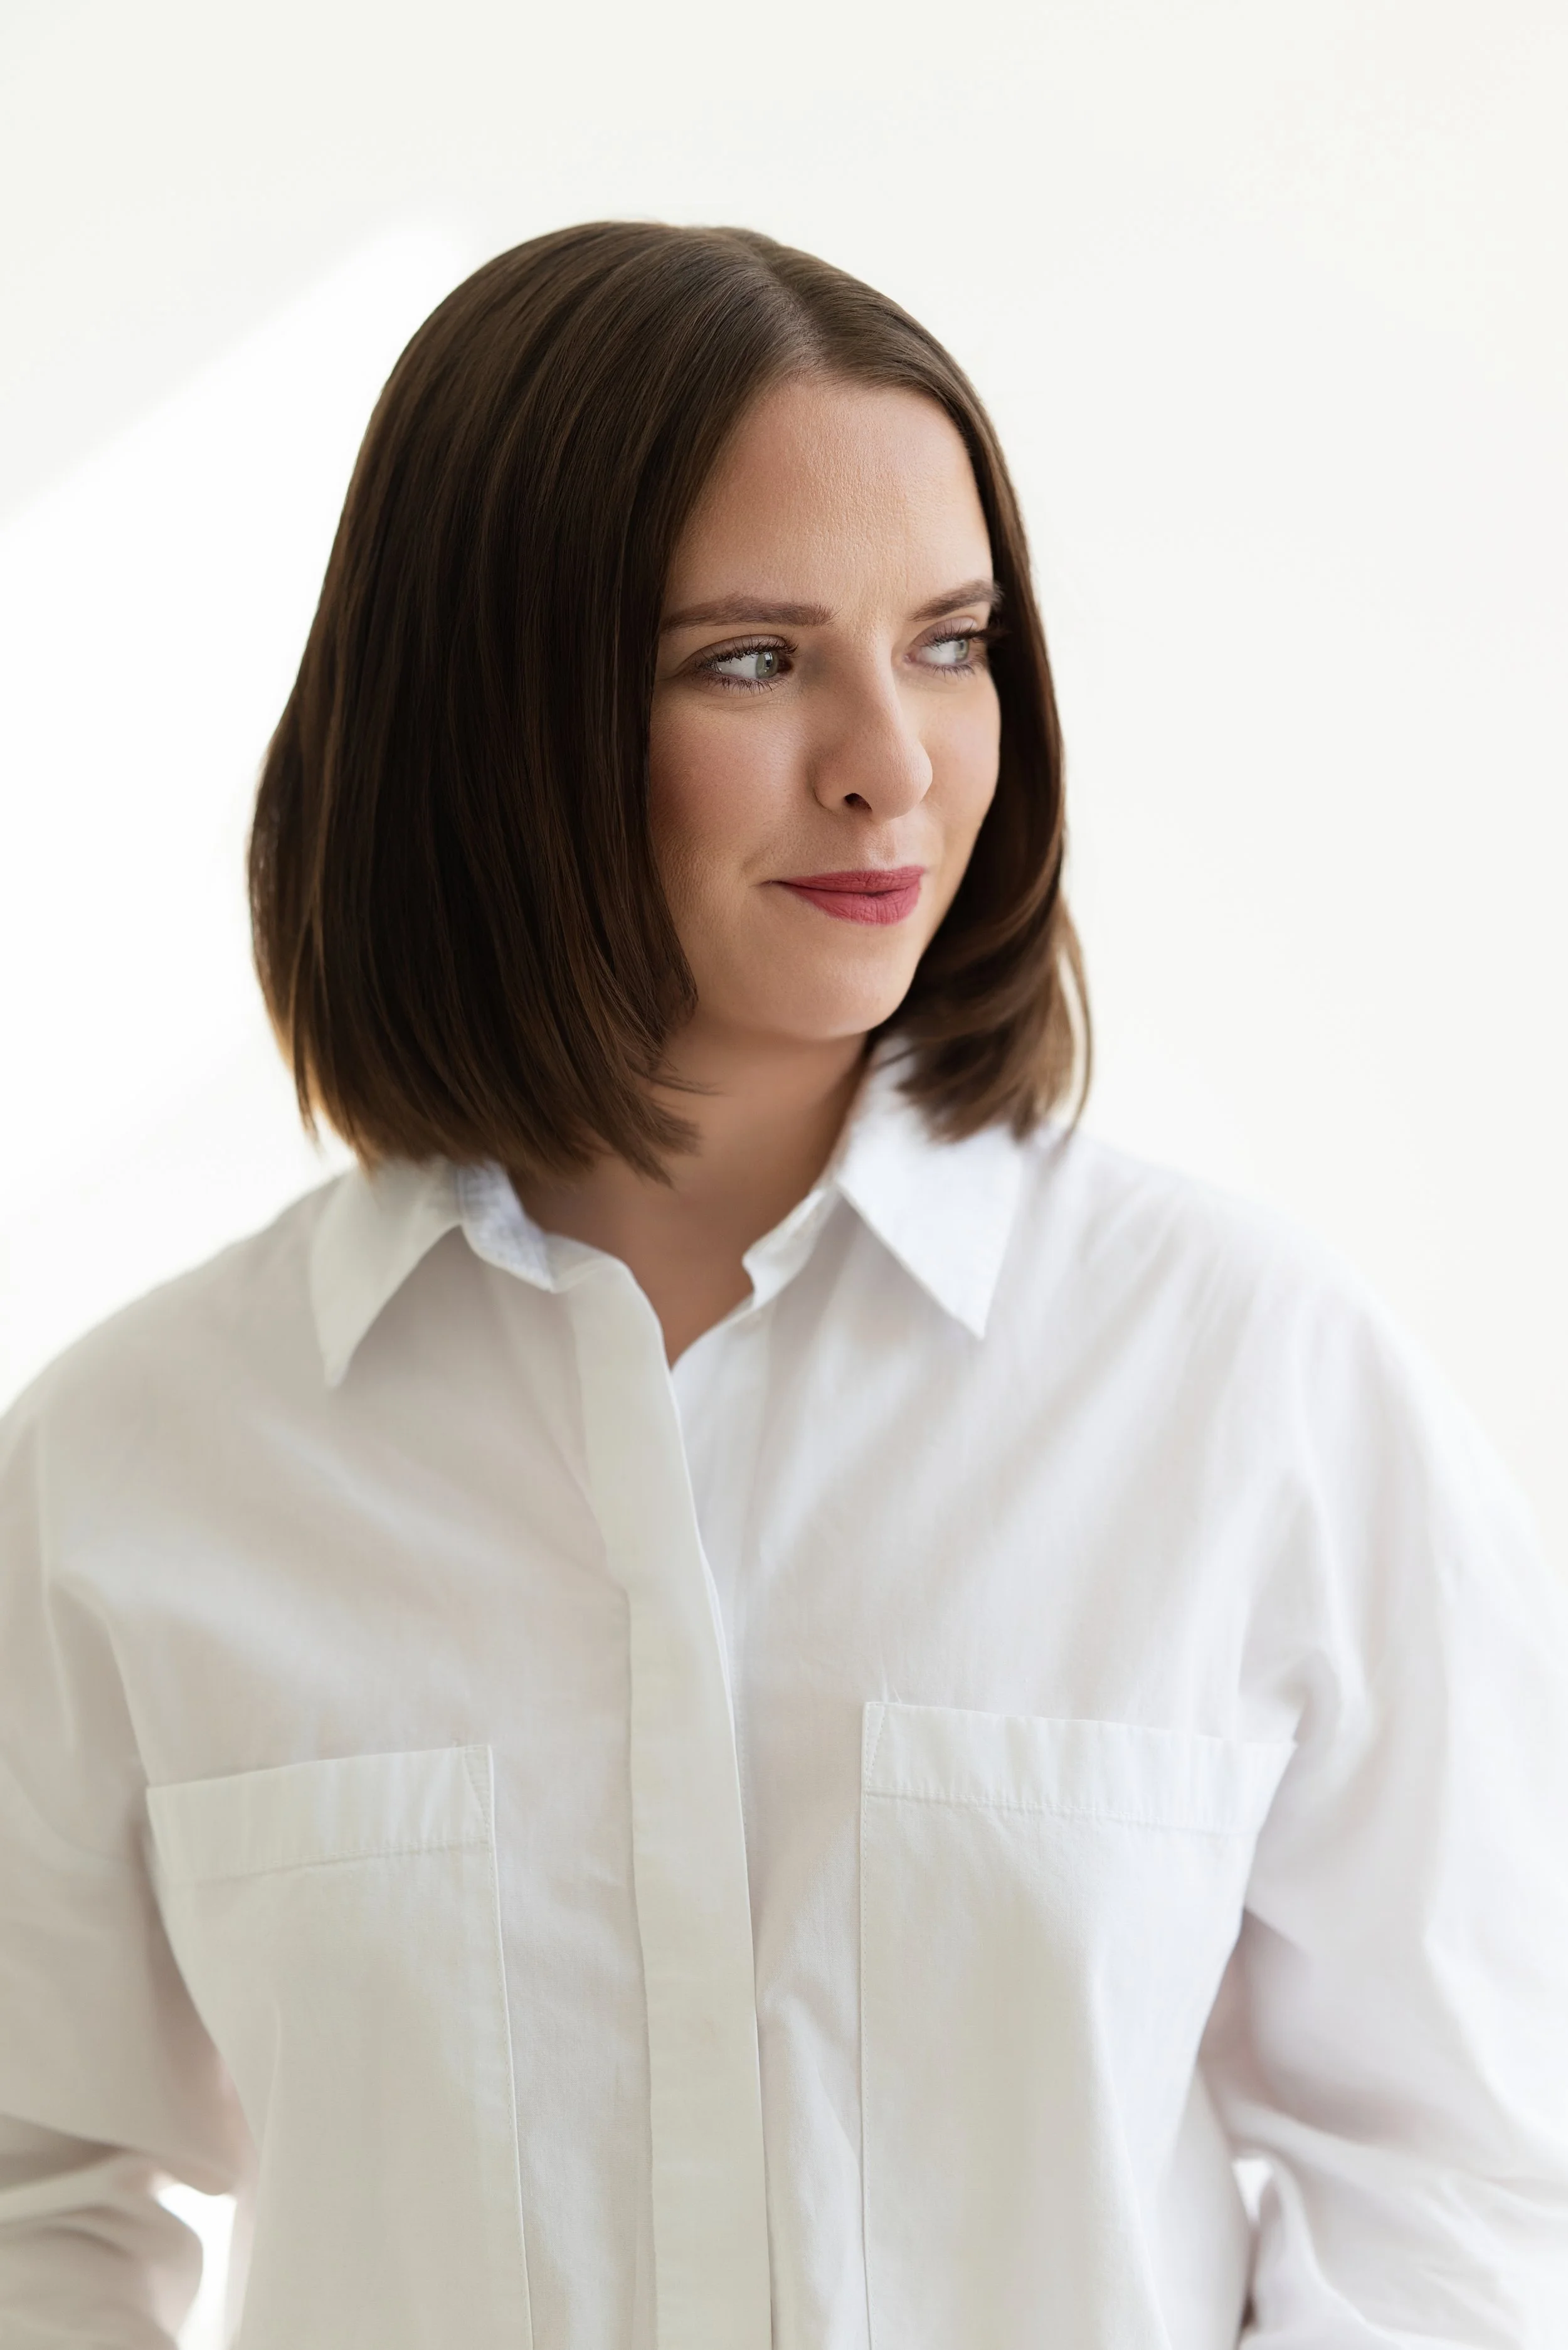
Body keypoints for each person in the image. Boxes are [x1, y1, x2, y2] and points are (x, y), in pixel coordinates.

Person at [0, 221, 1564, 2350]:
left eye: (950, 641)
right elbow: (35, 2200)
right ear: (488, 716)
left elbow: (1470, 2180)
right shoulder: (136, 1466)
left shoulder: (1249, 1387)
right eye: (750, 660)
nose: (892, 763)